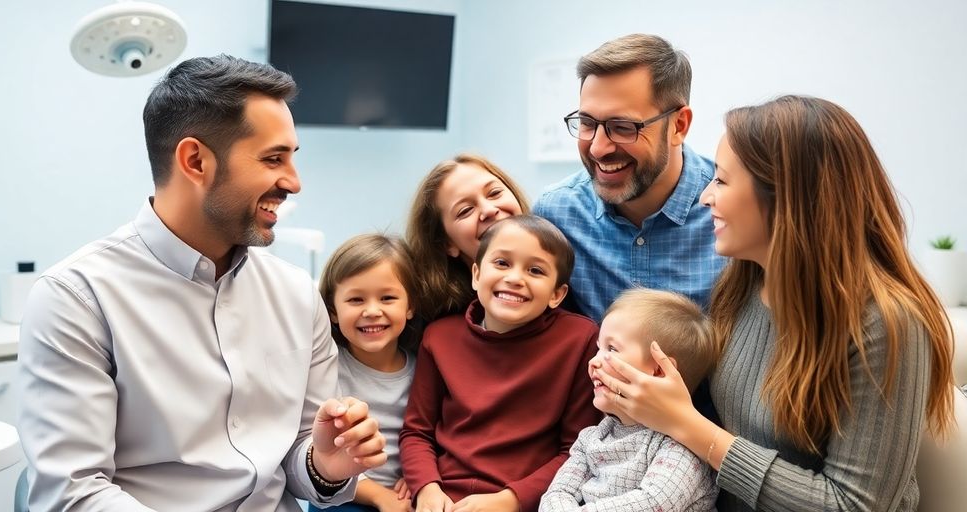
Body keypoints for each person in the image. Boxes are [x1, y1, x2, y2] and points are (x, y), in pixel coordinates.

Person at [16, 55, 386, 511]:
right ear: (195, 161)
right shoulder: (77, 300)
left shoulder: (295, 295)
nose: (294, 182)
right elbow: (72, 494)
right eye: (274, 159)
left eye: (292, 158)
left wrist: (322, 465)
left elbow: (301, 455)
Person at [592, 95, 956, 511]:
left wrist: (686, 424)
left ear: (785, 196)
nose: (706, 197)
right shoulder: (741, 285)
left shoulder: (886, 325)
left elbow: (855, 505)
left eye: (723, 181)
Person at [400, 215, 603, 512]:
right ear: (476, 275)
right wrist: (426, 488)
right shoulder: (439, 337)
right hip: (442, 499)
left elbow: (578, 448)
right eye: (502, 263)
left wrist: (511, 500)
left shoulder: (580, 339)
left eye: (535, 270)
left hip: (526, 502)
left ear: (557, 295)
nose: (515, 278)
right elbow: (417, 431)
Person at [533, 34, 726, 321]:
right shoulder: (556, 215)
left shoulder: (731, 213)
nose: (598, 148)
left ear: (678, 125)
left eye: (622, 127)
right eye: (587, 123)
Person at [539, 288, 717, 512]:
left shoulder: (682, 445)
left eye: (612, 349)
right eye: (598, 348)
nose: (594, 362)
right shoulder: (591, 438)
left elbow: (654, 503)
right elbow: (557, 493)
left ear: (659, 370)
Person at [318, 234, 421, 512]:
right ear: (333, 312)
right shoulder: (327, 368)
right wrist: (378, 496)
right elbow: (316, 454)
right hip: (342, 497)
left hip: (408, 498)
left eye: (387, 298)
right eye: (355, 300)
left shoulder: (425, 369)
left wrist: (421, 477)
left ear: (410, 306)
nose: (372, 311)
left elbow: (437, 436)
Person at [406, 153, 530, 321]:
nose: (488, 210)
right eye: (465, 210)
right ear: (446, 243)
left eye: (494, 193)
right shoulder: (437, 338)